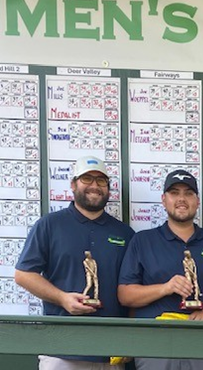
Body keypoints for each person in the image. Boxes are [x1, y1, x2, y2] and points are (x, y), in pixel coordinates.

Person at [15, 155, 134, 370]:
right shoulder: (49, 225)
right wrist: (62, 298)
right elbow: (23, 275)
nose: (94, 186)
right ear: (73, 184)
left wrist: (129, 341)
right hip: (61, 350)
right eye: (87, 179)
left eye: (101, 181)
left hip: (110, 352)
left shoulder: (124, 233)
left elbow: (132, 289)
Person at [118, 169, 203, 370]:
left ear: (197, 201)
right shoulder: (143, 241)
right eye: (174, 193)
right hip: (155, 344)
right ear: (164, 199)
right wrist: (165, 288)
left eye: (188, 193)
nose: (182, 199)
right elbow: (125, 295)